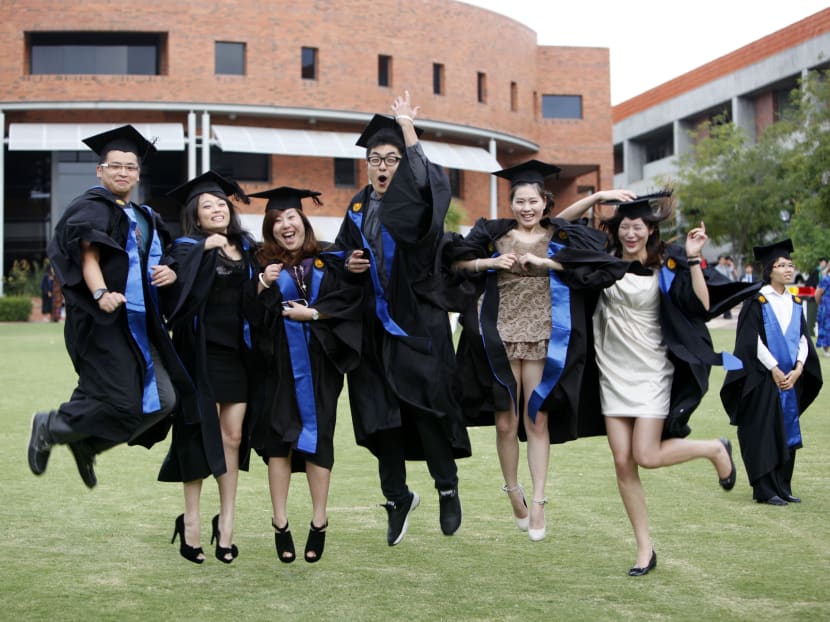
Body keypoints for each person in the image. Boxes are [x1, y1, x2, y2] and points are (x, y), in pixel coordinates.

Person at [447, 159, 632, 541]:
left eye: (533, 201)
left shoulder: (557, 235)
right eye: (520, 201)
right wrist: (491, 261)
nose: (526, 208)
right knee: (505, 422)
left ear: (544, 203)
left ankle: (539, 502)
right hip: (498, 333)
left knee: (537, 420)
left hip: (544, 333)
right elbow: (456, 261)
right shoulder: (494, 233)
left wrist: (597, 197)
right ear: (511, 203)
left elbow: (585, 250)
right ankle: (513, 489)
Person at [584, 192, 749, 576]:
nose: (629, 233)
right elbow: (560, 230)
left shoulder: (667, 265)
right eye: (623, 226)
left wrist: (693, 258)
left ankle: (713, 448)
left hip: (651, 372)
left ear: (651, 229)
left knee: (646, 454)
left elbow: (702, 304)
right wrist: (597, 196)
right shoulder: (602, 264)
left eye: (637, 227)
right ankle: (645, 549)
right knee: (623, 463)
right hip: (612, 374)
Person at [335, 91, 471, 546]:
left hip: (418, 324)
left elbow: (430, 182)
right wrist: (348, 263)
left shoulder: (417, 202)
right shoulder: (357, 208)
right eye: (375, 158)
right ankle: (396, 498)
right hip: (374, 327)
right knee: (379, 415)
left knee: (426, 408)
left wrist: (407, 126)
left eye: (392, 158)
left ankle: (446, 487)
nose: (382, 166)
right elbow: (340, 256)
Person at [27, 125, 194, 489]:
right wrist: (101, 293)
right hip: (104, 321)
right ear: (100, 170)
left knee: (164, 402)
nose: (123, 172)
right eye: (115, 165)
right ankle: (51, 426)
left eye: (130, 167)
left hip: (142, 324)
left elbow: (154, 260)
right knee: (121, 400)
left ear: (138, 173)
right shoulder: (93, 206)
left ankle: (88, 445)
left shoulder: (144, 215)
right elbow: (89, 255)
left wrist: (166, 271)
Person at [246, 186, 361, 564]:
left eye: (290, 217)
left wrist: (311, 314)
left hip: (321, 364)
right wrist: (263, 283)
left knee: (318, 440)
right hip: (275, 364)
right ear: (270, 229)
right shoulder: (259, 262)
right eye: (276, 221)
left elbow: (350, 302)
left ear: (303, 220)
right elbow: (246, 316)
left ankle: (319, 521)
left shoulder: (329, 257)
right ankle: (280, 523)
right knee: (278, 441)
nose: (285, 225)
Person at [157, 171, 259, 564]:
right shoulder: (186, 248)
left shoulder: (247, 249)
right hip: (199, 356)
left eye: (221, 204)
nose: (216, 210)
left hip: (238, 357)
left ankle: (227, 523)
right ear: (196, 219)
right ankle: (193, 522)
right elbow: (172, 287)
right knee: (199, 436)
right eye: (207, 207)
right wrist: (203, 251)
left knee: (232, 439)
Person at [721, 240, 822, 505]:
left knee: (786, 428)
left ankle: (783, 485)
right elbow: (750, 340)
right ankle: (765, 489)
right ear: (769, 270)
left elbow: (803, 338)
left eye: (790, 265)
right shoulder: (758, 300)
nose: (788, 270)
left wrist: (800, 368)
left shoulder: (796, 301)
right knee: (764, 430)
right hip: (764, 376)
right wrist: (774, 368)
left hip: (791, 376)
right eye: (781, 265)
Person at [816, 266, 830, 356]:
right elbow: (818, 294)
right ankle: (825, 349)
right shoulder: (826, 279)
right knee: (826, 328)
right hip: (826, 307)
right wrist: (821, 305)